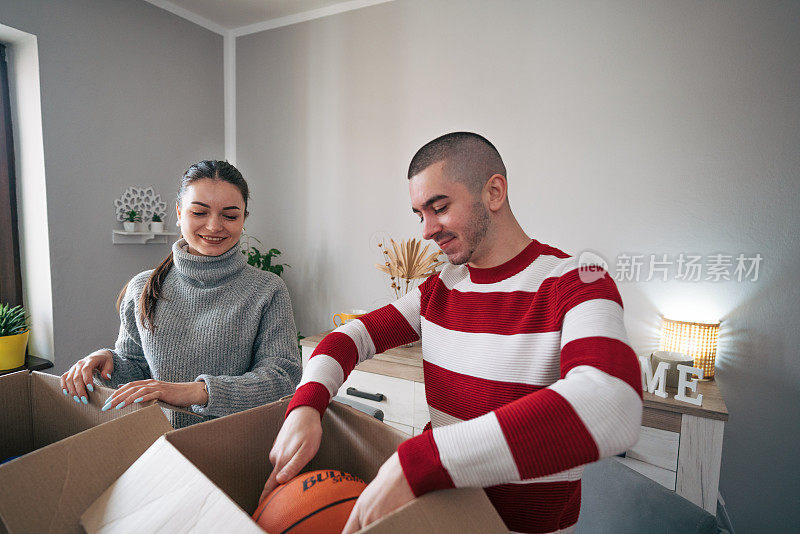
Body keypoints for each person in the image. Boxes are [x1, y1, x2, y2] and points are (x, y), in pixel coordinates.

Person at [262, 132, 643, 534]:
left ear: (494, 192)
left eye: (439, 207)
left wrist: (423, 460)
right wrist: (306, 406)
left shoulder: (576, 281)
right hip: (439, 519)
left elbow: (613, 402)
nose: (426, 230)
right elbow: (348, 338)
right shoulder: (441, 287)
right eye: (418, 214)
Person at [60, 160, 302, 429]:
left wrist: (197, 392)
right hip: (158, 445)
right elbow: (137, 369)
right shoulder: (143, 287)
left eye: (230, 216)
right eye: (199, 212)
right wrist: (108, 362)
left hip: (237, 447)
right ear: (178, 212)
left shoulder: (267, 289)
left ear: (244, 219)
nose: (213, 226)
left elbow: (282, 379)